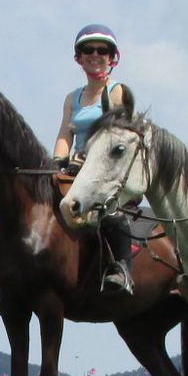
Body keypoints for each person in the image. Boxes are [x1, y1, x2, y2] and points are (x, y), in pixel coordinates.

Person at [52, 24, 136, 296]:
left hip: (106, 169)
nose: (95, 54)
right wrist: (57, 161)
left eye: (103, 50)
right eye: (88, 50)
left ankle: (121, 268)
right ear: (79, 57)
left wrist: (86, 157)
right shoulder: (72, 98)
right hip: (76, 169)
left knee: (108, 208)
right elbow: (65, 132)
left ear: (112, 57)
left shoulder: (116, 92)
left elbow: (116, 139)